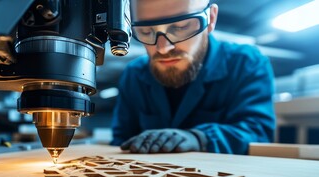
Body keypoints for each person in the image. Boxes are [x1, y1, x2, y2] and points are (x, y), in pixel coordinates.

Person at [110, 0, 275, 154]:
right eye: (146, 31)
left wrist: (200, 138)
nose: (163, 48)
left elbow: (258, 133)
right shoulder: (134, 74)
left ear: (211, 18)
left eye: (180, 27)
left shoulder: (246, 64)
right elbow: (121, 140)